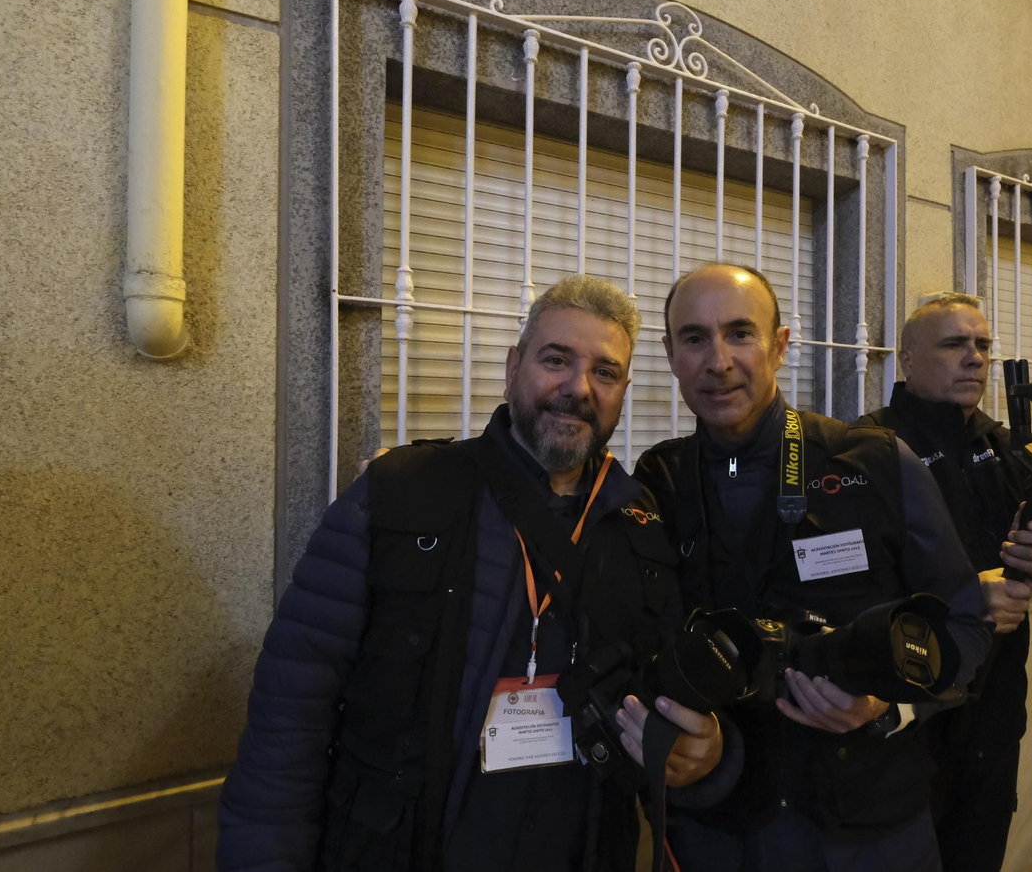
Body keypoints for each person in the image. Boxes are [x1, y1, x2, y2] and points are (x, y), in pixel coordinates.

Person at [217, 276, 737, 872]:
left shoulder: (640, 523)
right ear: (514, 367)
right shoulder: (401, 494)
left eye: (605, 372)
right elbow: (291, 709)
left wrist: (709, 754)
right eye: (556, 360)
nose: (578, 388)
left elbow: (668, 699)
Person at [632, 263, 992, 872]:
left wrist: (890, 705)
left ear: (780, 345)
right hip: (718, 826)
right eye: (695, 338)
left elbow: (968, 626)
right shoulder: (657, 483)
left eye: (741, 333)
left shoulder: (874, 462)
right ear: (670, 354)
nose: (718, 361)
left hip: (867, 829)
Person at [855, 293, 1032, 872]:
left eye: (982, 345)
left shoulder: (1010, 447)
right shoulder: (864, 448)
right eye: (955, 344)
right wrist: (963, 601)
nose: (975, 359)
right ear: (907, 359)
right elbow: (847, 590)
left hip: (994, 712)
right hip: (905, 714)